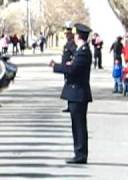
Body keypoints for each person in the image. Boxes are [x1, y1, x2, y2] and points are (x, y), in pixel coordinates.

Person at [49, 23, 92, 164]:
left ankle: (80, 154)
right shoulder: (81, 50)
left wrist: (56, 66)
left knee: (79, 126)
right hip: (76, 93)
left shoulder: (84, 51)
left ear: (78, 36)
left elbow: (73, 69)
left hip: (78, 93)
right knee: (76, 125)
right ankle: (79, 153)